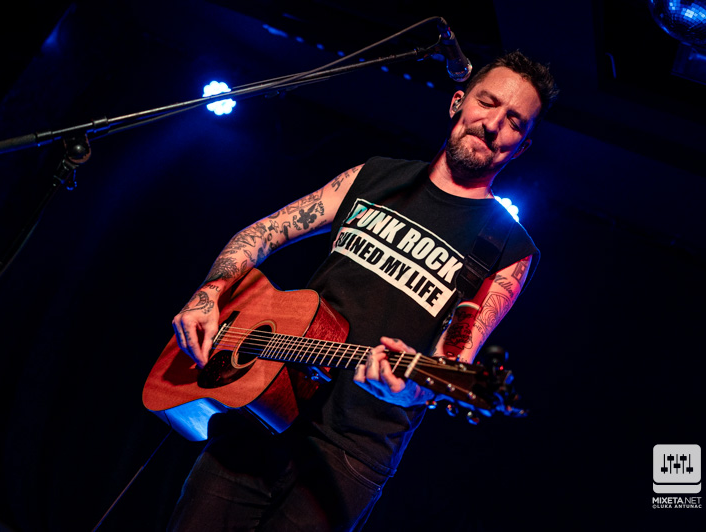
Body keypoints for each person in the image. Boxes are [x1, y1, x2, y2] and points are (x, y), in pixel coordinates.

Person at [167, 50, 558, 531]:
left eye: (514, 121)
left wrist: (409, 390)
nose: (493, 124)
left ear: (522, 146)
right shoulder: (373, 176)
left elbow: (453, 359)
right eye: (487, 102)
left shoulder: (509, 248)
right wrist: (209, 293)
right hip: (261, 403)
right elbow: (263, 232)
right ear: (458, 102)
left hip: (350, 455)